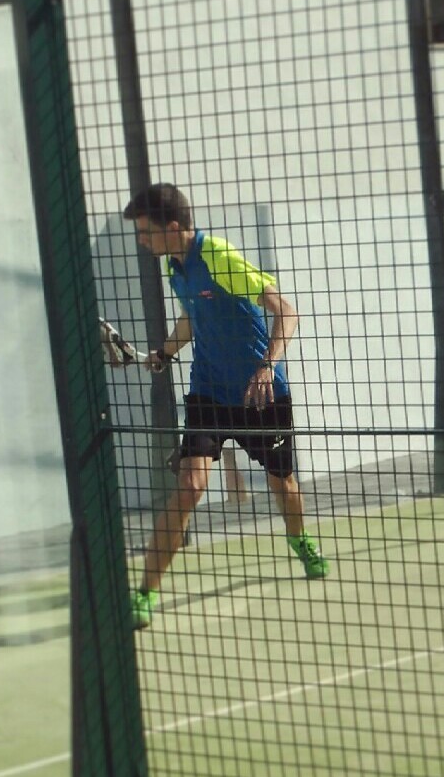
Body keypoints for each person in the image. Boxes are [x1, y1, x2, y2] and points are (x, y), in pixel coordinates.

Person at [124, 183, 329, 629]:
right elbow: (192, 317)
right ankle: (144, 593)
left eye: (145, 232)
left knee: (282, 482)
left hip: (260, 395)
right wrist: (166, 352)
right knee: (189, 488)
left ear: (172, 227)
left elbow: (286, 310)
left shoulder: (218, 256)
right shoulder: (175, 267)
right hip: (208, 392)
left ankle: (300, 540)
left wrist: (266, 367)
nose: (141, 240)